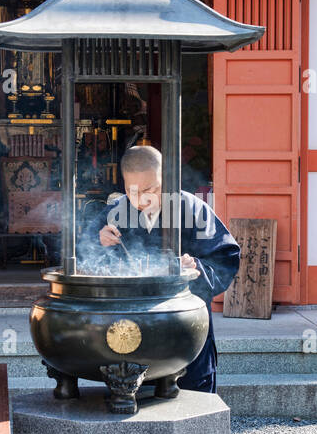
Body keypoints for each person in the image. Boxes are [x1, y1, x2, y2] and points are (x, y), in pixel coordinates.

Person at [85, 144, 240, 394]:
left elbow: (226, 259)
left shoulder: (192, 209)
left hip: (183, 326)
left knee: (191, 401)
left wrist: (196, 268)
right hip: (131, 329)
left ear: (165, 179)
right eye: (131, 191)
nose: (140, 200)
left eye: (150, 190)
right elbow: (83, 254)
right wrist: (98, 240)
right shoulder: (115, 212)